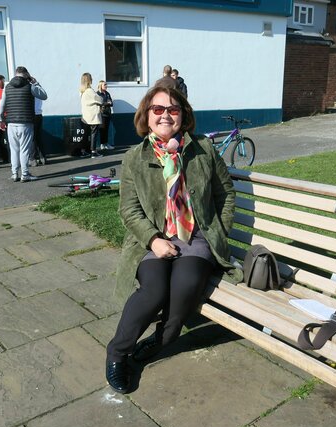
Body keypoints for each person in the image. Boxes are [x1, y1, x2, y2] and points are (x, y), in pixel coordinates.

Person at [105, 86, 239, 394]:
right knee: (154, 291)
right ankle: (117, 353)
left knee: (185, 285)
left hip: (196, 237)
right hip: (153, 239)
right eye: (158, 109)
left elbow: (225, 194)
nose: (166, 115)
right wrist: (153, 240)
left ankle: (163, 338)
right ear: (147, 116)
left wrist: (218, 230)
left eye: (173, 109)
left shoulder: (203, 148)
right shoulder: (134, 158)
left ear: (183, 115)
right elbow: (129, 209)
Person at [0, 66, 47, 182]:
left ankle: (14, 174)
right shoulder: (30, 86)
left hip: (11, 123)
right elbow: (44, 96)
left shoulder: (7, 87)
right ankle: (25, 174)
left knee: (14, 149)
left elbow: (2, 104)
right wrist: (36, 83)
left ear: (16, 74)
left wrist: (0, 119)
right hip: (26, 123)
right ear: (26, 75)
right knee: (24, 149)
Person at [79, 72, 102, 158]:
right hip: (93, 116)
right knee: (94, 134)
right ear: (89, 80)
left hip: (85, 116)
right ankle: (93, 152)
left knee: (85, 134)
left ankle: (83, 151)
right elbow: (100, 100)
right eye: (91, 78)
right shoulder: (90, 91)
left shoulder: (82, 91)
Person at [97, 80, 114, 151]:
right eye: (105, 85)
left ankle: (106, 144)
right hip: (102, 114)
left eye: (106, 84)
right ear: (101, 85)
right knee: (102, 129)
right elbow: (99, 103)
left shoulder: (107, 93)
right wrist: (107, 103)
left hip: (108, 114)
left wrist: (107, 103)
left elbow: (111, 103)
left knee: (106, 129)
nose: (106, 86)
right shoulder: (98, 94)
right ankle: (102, 144)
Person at [31, 95, 47, 165]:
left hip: (32, 115)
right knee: (39, 137)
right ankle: (43, 158)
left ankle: (33, 159)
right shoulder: (38, 88)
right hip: (39, 114)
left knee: (32, 138)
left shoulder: (30, 88)